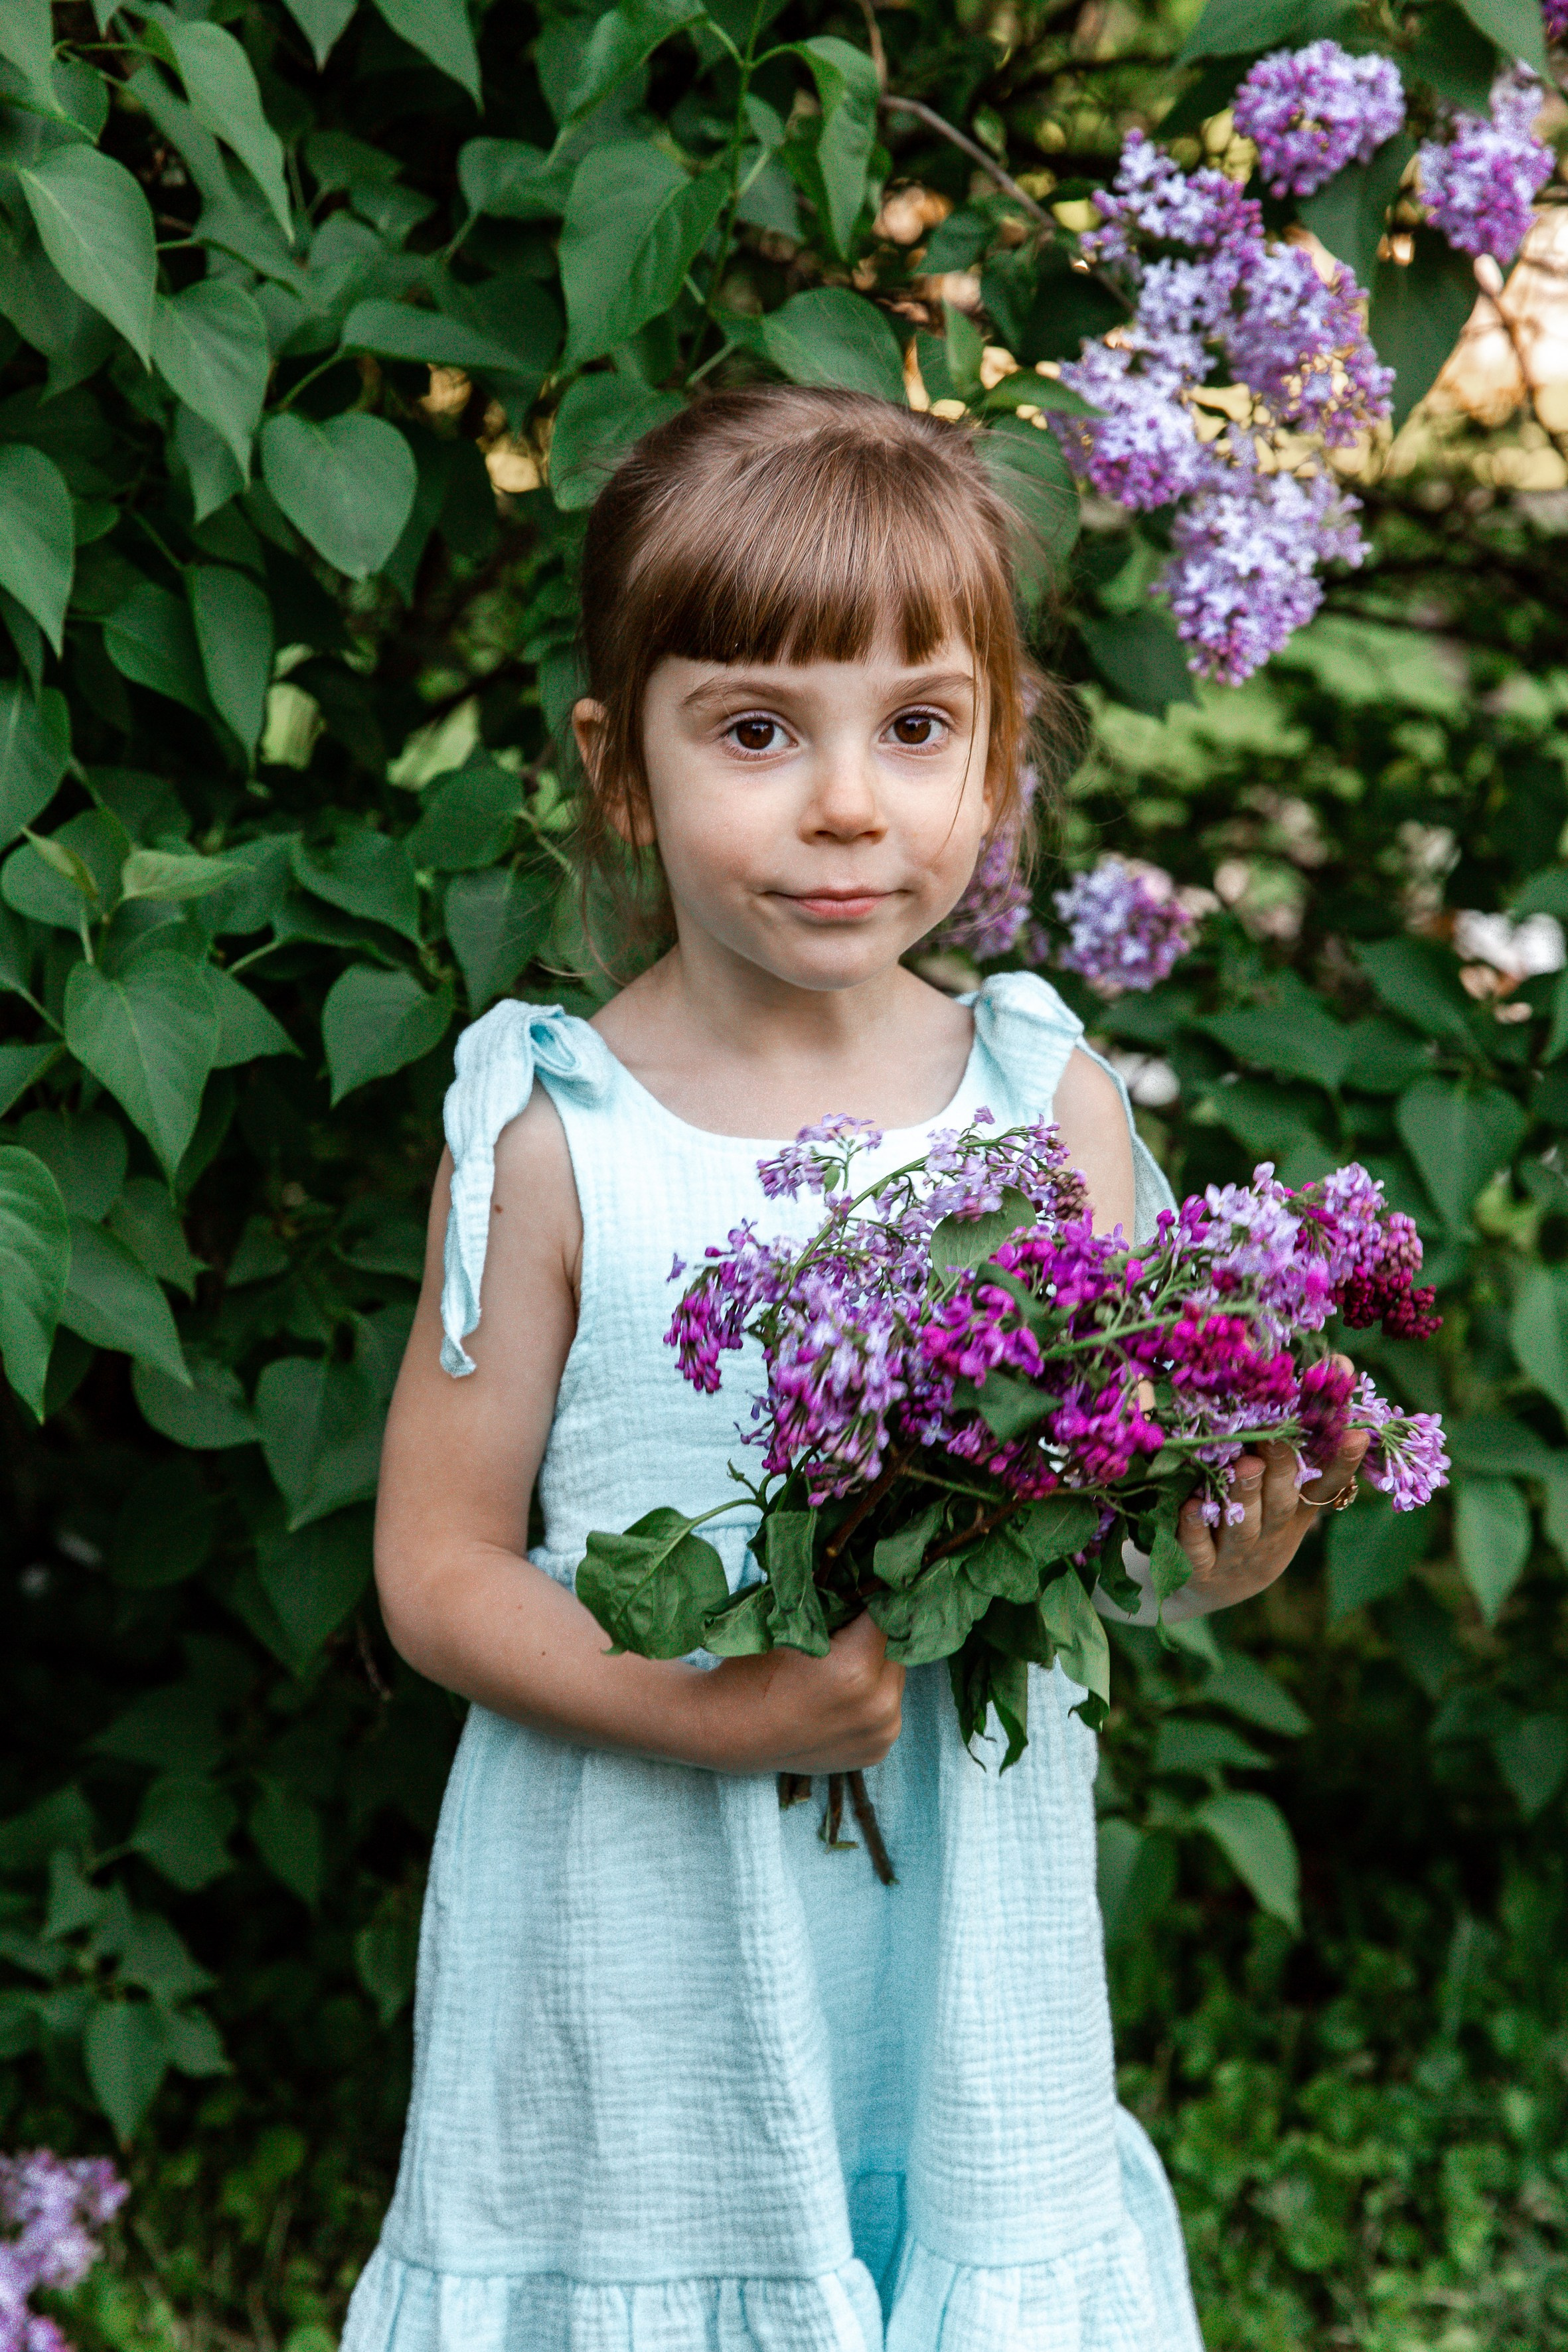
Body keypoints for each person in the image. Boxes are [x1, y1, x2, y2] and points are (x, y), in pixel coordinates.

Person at [343, 388, 1366, 2351]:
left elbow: (1101, 1524)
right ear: (619, 770)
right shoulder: (557, 1135)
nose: (844, 804)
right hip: (640, 1912)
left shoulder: (1041, 1103)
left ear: (998, 756)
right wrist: (710, 1706)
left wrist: (1219, 1554)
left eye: (915, 727)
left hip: (955, 1911)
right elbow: (437, 1567)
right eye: (755, 731)